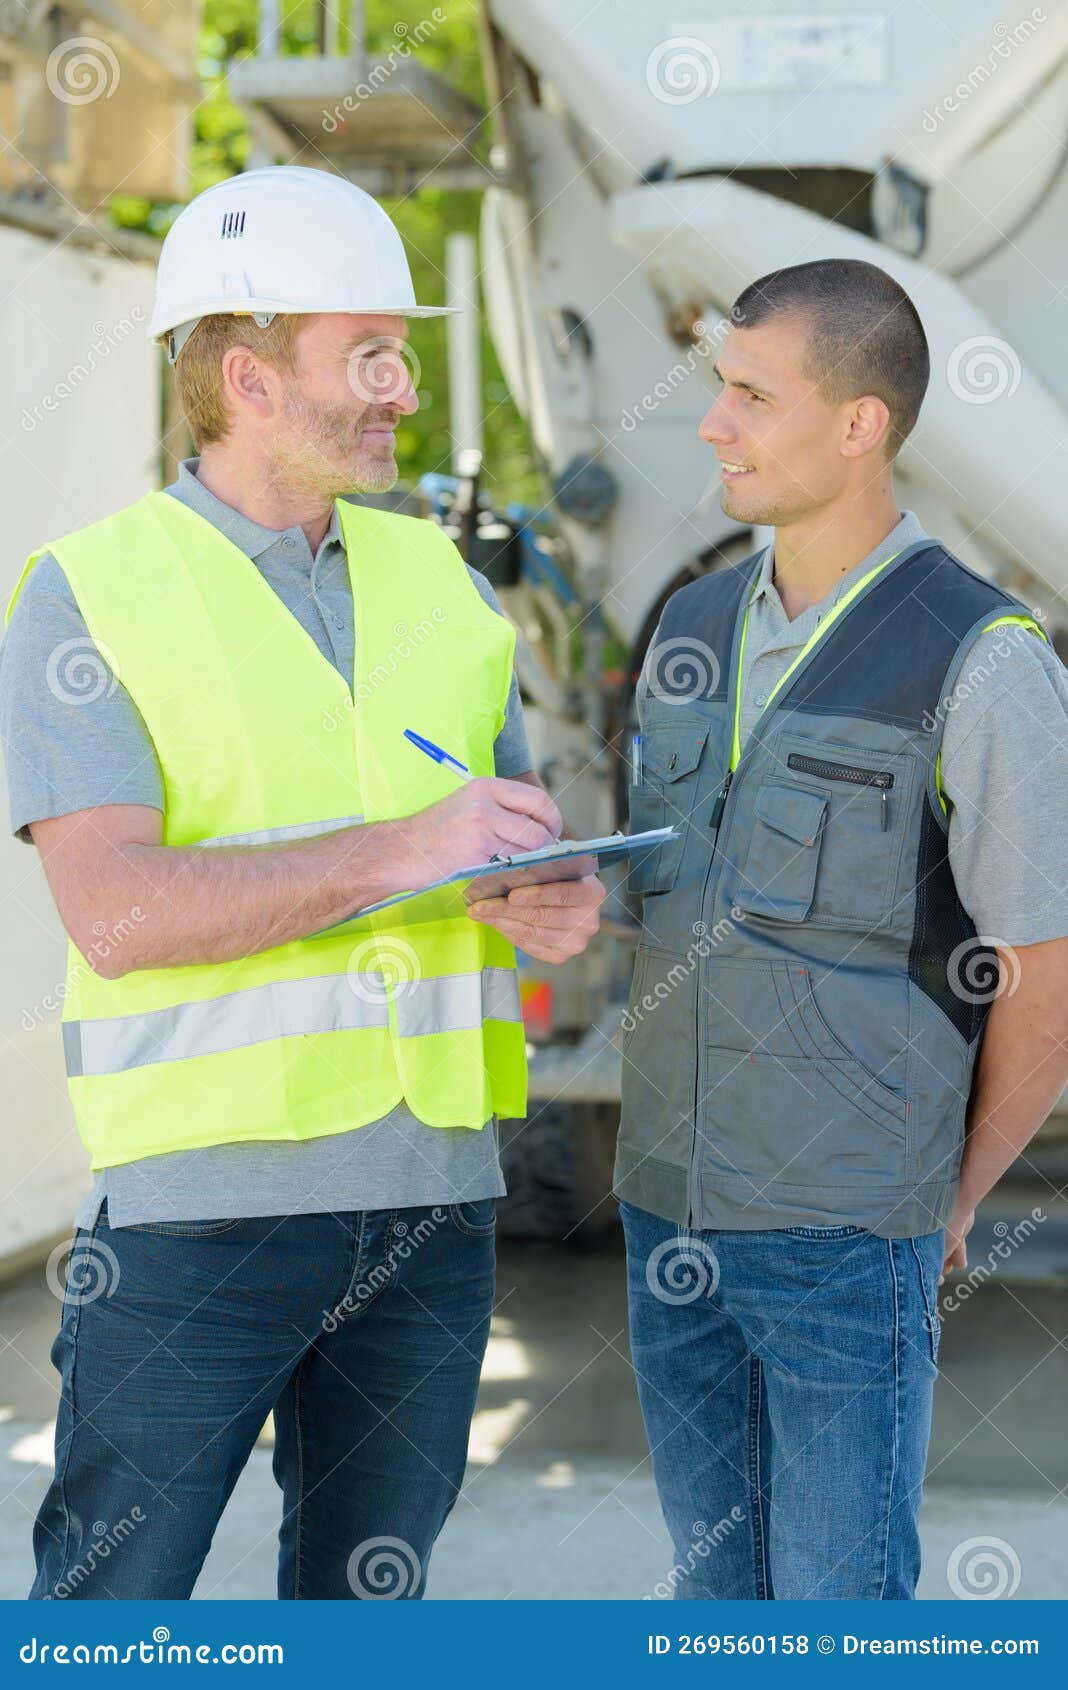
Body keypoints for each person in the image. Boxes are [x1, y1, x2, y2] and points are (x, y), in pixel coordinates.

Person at [0, 165, 604, 1600]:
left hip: (431, 1208)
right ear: (252, 376)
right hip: (195, 1221)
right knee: (114, 1612)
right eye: (371, 354)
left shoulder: (441, 583)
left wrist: (543, 900)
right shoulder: (87, 594)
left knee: (368, 1616)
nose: (404, 388)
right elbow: (118, 912)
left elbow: (493, 847)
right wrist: (411, 848)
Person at [616, 258, 1068, 1600]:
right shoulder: (689, 630)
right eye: (718, 391)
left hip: (846, 1235)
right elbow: (667, 893)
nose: (714, 424)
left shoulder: (983, 658)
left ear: (861, 424)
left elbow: (1045, 975)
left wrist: (958, 1193)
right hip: (665, 1214)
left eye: (753, 395)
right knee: (716, 1602)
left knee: (840, 1611)